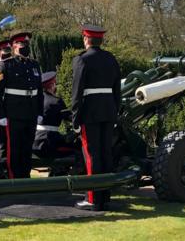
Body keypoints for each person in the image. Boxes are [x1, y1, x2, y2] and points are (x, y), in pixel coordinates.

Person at [71, 24, 121, 211]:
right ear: (101, 40)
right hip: (108, 111)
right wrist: (114, 112)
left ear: (86, 39)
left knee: (91, 156)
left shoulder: (82, 60)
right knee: (105, 154)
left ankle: (92, 199)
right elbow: (117, 91)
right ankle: (105, 196)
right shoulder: (111, 59)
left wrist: (75, 119)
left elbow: (77, 93)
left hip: (89, 113)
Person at [0, 31, 43, 178]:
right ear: (14, 47)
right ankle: (14, 178)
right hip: (13, 114)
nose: (25, 46)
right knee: (14, 149)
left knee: (27, 148)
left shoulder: (34, 65)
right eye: (22, 44)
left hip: (31, 113)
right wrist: (0, 114)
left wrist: (40, 112)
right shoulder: (6, 65)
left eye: (27, 44)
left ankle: (25, 177)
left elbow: (39, 91)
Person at [32, 71, 73, 158]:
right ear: (52, 85)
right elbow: (70, 118)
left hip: (33, 141)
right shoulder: (56, 101)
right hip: (49, 143)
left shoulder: (34, 100)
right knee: (76, 149)